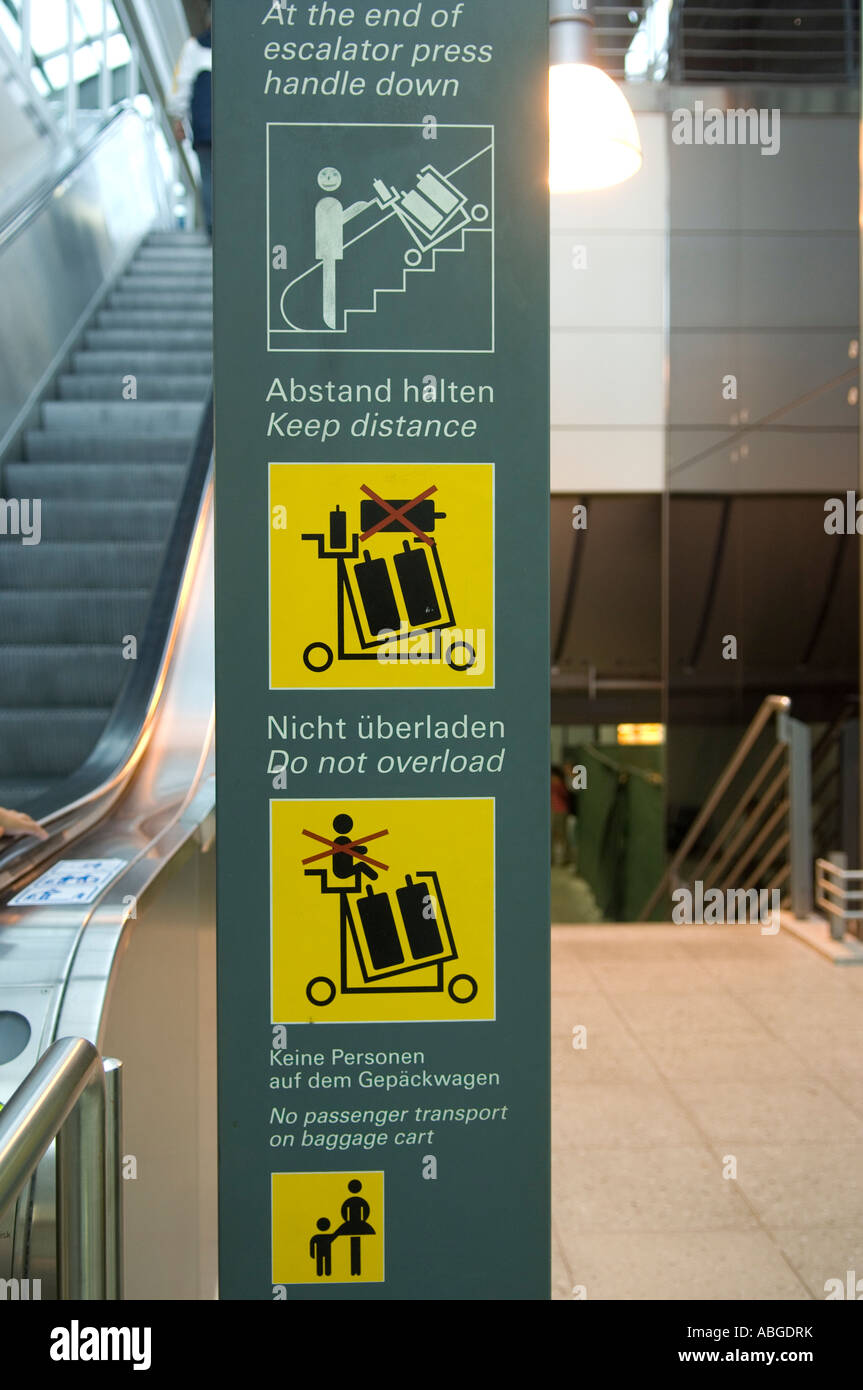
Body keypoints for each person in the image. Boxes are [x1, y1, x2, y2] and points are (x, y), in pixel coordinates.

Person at [169, 2, 213, 237]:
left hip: (204, 127)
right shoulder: (241, 48)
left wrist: (179, 118)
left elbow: (181, 88)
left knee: (208, 176)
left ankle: (213, 228)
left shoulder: (194, 48)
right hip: (234, 127)